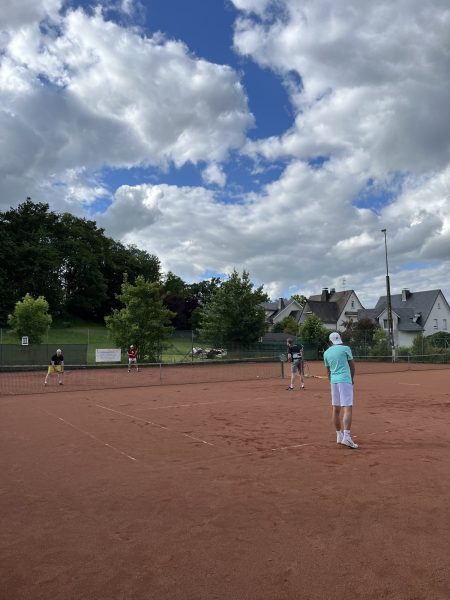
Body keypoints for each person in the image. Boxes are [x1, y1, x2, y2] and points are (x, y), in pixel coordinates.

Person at [323, 332, 358, 449]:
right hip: (345, 380)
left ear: (330, 341)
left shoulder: (326, 353)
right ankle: (346, 437)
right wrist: (351, 379)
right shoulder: (346, 348)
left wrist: (331, 381)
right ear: (340, 339)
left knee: (336, 408)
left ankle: (339, 435)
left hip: (334, 381)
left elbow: (328, 371)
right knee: (347, 407)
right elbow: (352, 366)